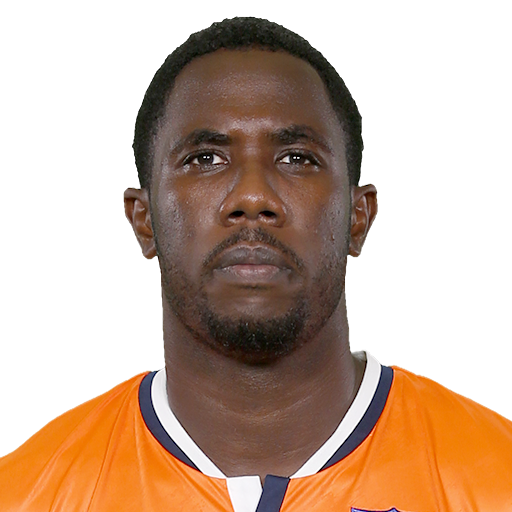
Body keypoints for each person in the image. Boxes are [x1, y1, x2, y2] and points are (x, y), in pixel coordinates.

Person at [1, 16, 511, 512]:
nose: (251, 196)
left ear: (358, 217)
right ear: (145, 220)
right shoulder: (23, 495)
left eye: (296, 158)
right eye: (205, 158)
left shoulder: (497, 481)